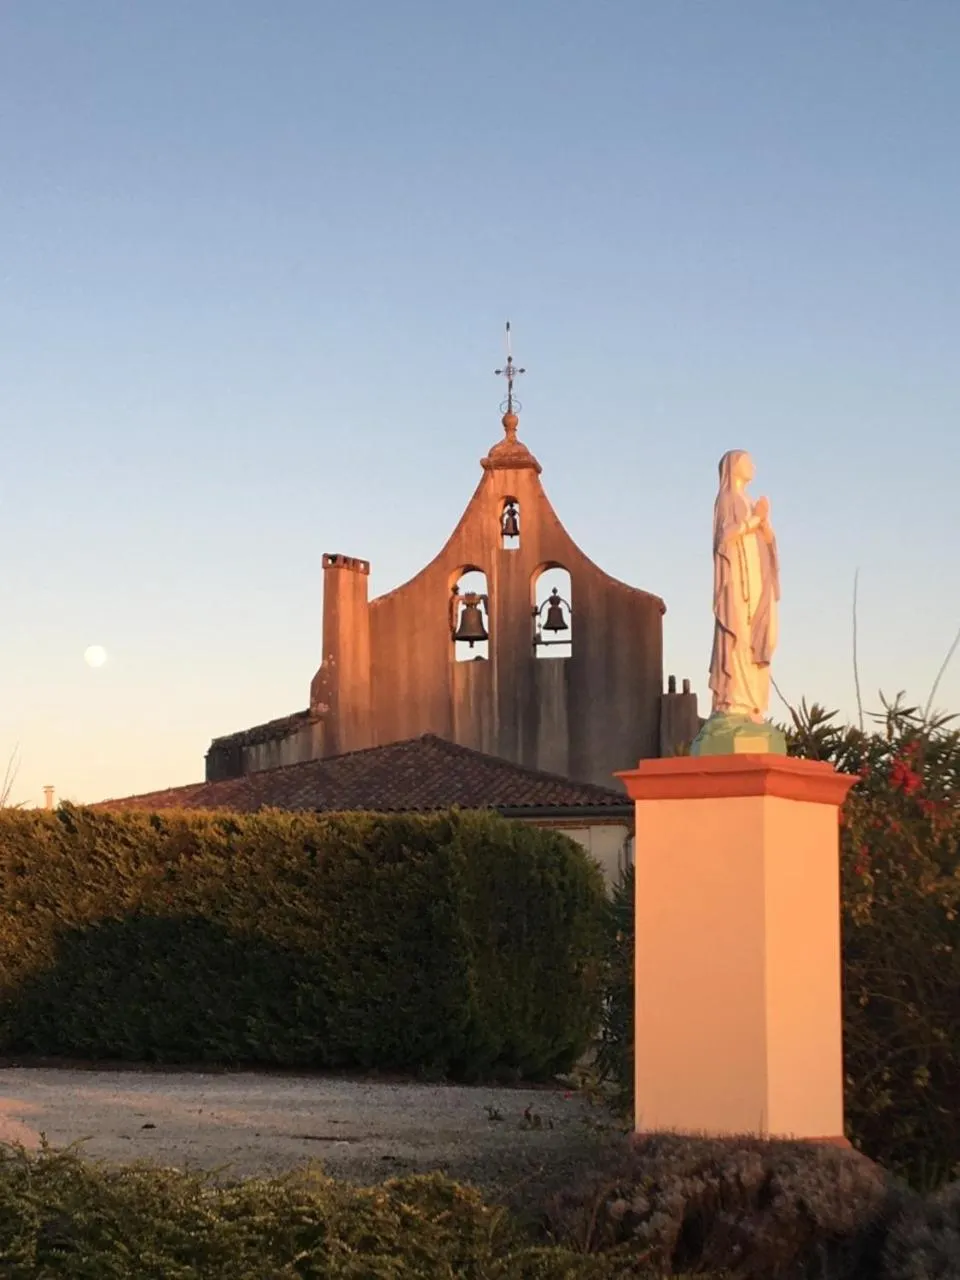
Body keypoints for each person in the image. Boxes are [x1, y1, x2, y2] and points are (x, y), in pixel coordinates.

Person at [707, 450, 780, 723]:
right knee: (738, 637)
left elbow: (767, 543)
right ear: (734, 466)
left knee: (762, 639)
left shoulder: (751, 502)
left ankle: (754, 705)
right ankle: (734, 700)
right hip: (737, 582)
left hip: (758, 583)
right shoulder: (728, 499)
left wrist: (765, 524)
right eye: (747, 461)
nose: (753, 466)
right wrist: (754, 521)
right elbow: (723, 539)